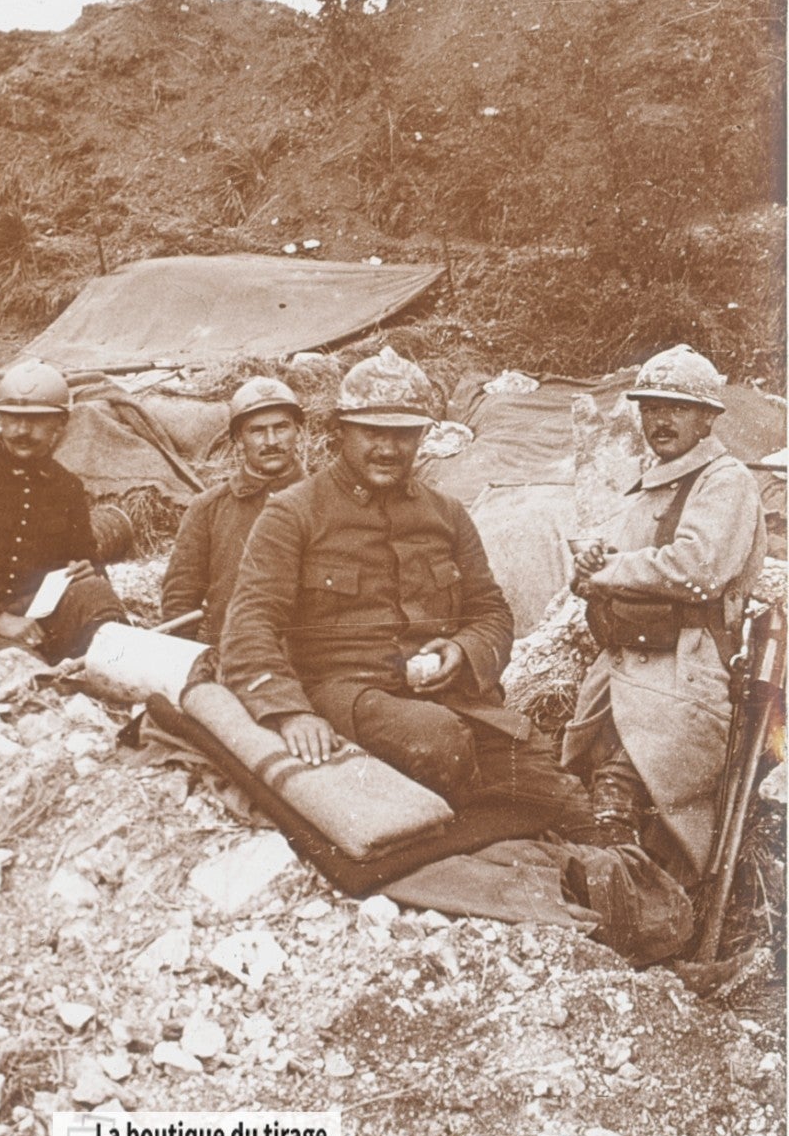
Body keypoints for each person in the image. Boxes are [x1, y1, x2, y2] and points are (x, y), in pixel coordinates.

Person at [219, 345, 591, 832]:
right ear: (339, 432)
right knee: (438, 743)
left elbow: (491, 613)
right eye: (373, 433)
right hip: (345, 695)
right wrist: (290, 713)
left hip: (451, 701)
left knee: (565, 796)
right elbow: (249, 624)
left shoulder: (447, 514)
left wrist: (461, 650)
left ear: (422, 437)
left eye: (404, 434)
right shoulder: (294, 512)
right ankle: (474, 831)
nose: (389, 449)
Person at [562, 344, 766, 875]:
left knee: (630, 788)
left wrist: (608, 571)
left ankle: (641, 895)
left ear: (707, 419)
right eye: (650, 407)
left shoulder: (725, 481)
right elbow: (602, 566)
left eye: (675, 408)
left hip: (687, 669)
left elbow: (698, 567)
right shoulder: (650, 485)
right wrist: (587, 566)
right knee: (572, 781)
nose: (659, 419)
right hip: (622, 665)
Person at [0, 360, 128, 677]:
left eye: (36, 421)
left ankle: (122, 668)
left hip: (39, 623)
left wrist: (87, 569)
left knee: (97, 598)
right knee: (25, 672)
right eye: (12, 418)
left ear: (60, 423)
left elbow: (87, 560)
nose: (21, 431)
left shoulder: (66, 487)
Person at [161, 376, 304, 647]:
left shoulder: (325, 500)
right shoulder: (208, 509)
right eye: (257, 431)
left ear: (298, 430)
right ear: (238, 439)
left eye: (282, 427)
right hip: (237, 656)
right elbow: (180, 600)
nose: (271, 440)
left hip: (312, 661)